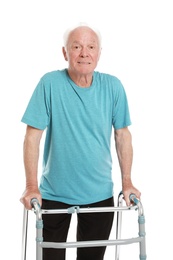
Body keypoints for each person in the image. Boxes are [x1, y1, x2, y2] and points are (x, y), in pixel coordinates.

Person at [20, 24, 141, 260]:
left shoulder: (113, 87)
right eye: (76, 47)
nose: (84, 53)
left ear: (99, 53)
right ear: (65, 53)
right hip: (54, 195)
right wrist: (31, 186)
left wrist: (127, 182)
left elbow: (122, 136)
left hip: (99, 195)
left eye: (91, 47)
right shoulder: (50, 84)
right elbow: (32, 137)